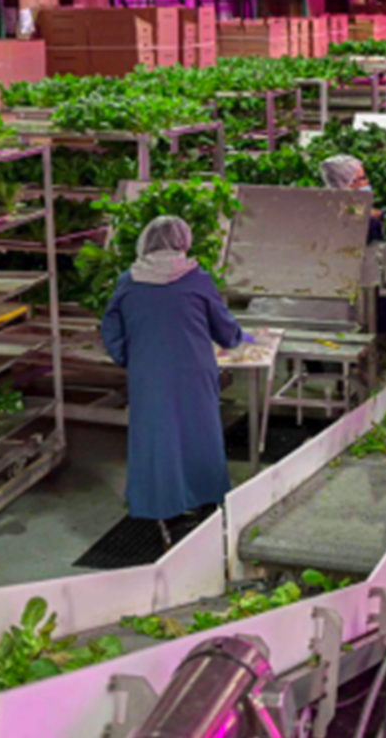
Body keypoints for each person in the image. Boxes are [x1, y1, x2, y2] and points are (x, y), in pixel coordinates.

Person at [101, 216, 246, 543]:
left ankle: (164, 509)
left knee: (157, 438)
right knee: (201, 433)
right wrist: (238, 339)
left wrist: (130, 358)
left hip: (149, 373)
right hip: (194, 370)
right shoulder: (197, 279)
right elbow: (223, 326)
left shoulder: (129, 281)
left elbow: (110, 328)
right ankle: (207, 500)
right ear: (182, 241)